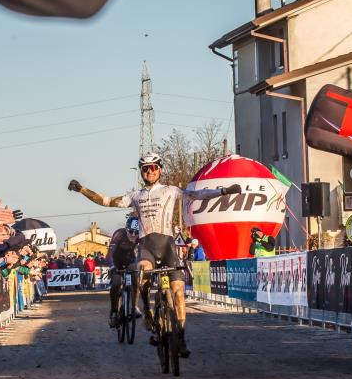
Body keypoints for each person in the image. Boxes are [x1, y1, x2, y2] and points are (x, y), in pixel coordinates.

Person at [68, 152, 241, 357]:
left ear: (160, 169)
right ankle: (148, 314)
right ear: (141, 172)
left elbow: (197, 195)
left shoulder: (171, 190)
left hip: (168, 246)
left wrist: (224, 191)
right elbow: (105, 200)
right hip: (147, 246)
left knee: (178, 293)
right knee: (141, 272)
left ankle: (182, 339)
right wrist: (82, 189)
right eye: (145, 168)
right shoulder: (135, 195)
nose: (150, 171)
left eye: (153, 167)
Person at [106, 217, 140, 327]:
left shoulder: (139, 236)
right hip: (116, 262)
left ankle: (134, 306)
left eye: (136, 232)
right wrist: (112, 266)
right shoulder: (119, 235)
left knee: (136, 280)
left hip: (130, 260)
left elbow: (144, 251)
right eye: (131, 231)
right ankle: (114, 312)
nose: (133, 235)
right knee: (115, 284)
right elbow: (109, 255)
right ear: (126, 230)